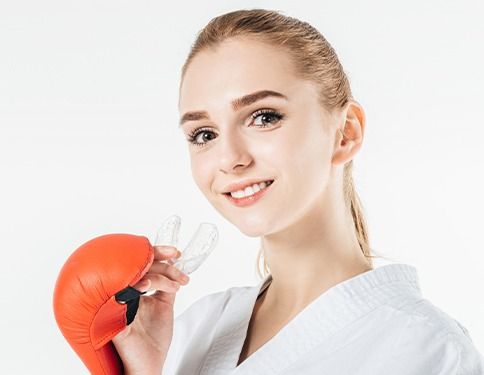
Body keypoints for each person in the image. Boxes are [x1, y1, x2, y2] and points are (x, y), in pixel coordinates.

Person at [112, 8, 484, 374]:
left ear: (346, 132)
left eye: (263, 117)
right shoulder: (192, 330)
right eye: (204, 134)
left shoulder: (425, 350)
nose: (229, 158)